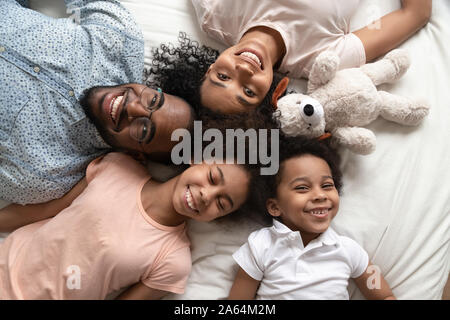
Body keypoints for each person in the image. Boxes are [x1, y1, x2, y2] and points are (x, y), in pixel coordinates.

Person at [0, 0, 194, 205]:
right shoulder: (121, 40)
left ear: (135, 155)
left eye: (144, 130)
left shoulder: (47, 173)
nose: (134, 107)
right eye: (153, 100)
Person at [0, 149, 262, 299]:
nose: (207, 195)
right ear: (197, 159)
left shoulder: (173, 261)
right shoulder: (118, 167)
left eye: (222, 203)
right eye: (212, 177)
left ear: (220, 218)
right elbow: (49, 209)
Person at [148, 0, 431, 115]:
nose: (243, 71)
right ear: (270, 94)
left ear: (209, 67)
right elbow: (415, 14)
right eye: (247, 91)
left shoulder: (214, 11)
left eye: (223, 77)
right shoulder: (323, 59)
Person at [228, 136, 396, 300]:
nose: (320, 195)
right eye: (302, 187)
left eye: (327, 185)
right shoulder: (261, 245)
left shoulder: (349, 251)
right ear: (275, 207)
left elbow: (384, 295)